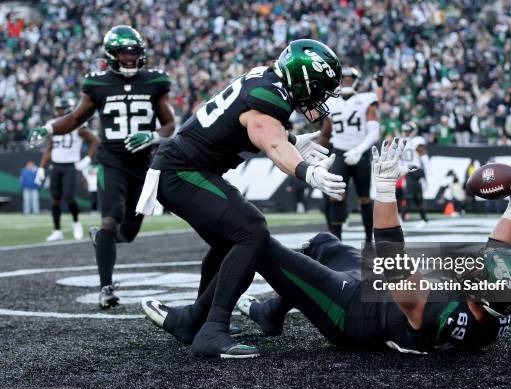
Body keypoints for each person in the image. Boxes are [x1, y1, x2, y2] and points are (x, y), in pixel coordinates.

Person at [143, 138, 511, 355]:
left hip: (352, 312)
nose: (475, 266)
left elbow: (392, 262)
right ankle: (270, 312)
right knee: (324, 242)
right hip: (372, 294)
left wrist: (383, 190)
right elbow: (498, 252)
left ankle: (194, 319)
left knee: (255, 239)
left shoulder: (440, 311)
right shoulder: (497, 311)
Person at [135, 39, 344, 358]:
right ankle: (211, 330)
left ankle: (195, 321)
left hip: (185, 170)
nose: (318, 97)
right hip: (181, 171)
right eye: (317, 87)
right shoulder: (270, 94)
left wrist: (291, 140)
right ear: (300, 77)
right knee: (251, 230)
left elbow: (253, 126)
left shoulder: (267, 80)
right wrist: (306, 171)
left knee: (232, 241)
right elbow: (270, 142)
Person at [27, 26, 176, 308]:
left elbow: (170, 125)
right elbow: (74, 119)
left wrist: (153, 135)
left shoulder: (155, 82)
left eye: (134, 52)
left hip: (143, 162)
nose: (130, 58)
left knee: (129, 231)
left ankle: (103, 240)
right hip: (112, 159)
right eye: (124, 52)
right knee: (111, 217)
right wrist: (48, 128)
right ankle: (105, 287)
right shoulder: (97, 84)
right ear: (111, 55)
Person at [318, 67, 381, 242]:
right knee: (335, 194)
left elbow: (374, 132)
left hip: (360, 152)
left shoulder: (366, 99)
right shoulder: (331, 102)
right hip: (339, 152)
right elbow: (326, 133)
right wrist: (314, 153)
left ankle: (369, 238)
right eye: (343, 77)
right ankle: (336, 241)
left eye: (349, 77)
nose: (346, 80)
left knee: (364, 198)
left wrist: (359, 150)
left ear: (357, 80)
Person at [34, 97, 99, 241]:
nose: (59, 111)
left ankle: (76, 222)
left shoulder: (78, 124)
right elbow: (49, 149)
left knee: (69, 196)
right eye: (57, 109)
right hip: (56, 165)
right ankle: (57, 230)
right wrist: (42, 167)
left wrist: (88, 158)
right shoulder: (51, 124)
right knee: (55, 199)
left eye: (61, 109)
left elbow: (94, 141)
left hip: (70, 165)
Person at [398, 121, 429, 226]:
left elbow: (423, 155)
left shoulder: (417, 140)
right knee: (415, 197)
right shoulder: (402, 141)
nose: (406, 133)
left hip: (415, 171)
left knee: (409, 196)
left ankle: (402, 219)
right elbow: (399, 158)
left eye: (408, 131)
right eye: (405, 131)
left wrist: (427, 172)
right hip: (406, 170)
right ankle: (424, 219)